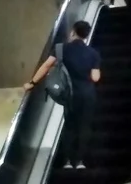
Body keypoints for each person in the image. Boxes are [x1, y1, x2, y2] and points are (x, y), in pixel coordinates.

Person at [23, 20, 101, 170]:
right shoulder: (93, 54)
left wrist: (32, 84)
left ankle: (66, 161)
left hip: (70, 94)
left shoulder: (61, 49)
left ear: (73, 32)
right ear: (86, 35)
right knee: (84, 126)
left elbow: (46, 66)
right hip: (88, 95)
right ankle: (79, 162)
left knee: (70, 126)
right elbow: (95, 77)